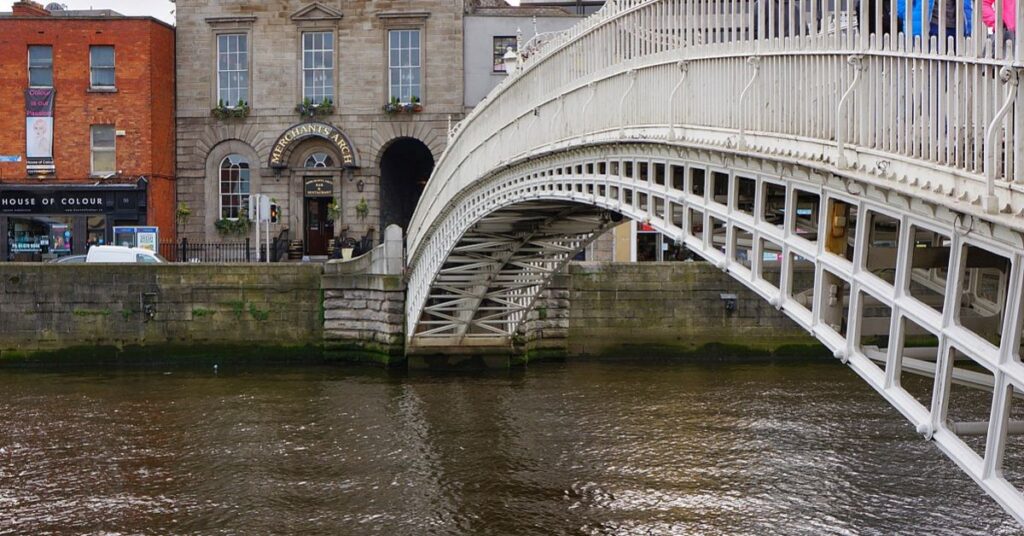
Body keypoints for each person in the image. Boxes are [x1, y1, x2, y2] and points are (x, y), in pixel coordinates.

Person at [897, 0, 974, 38]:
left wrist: (969, 25)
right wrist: (911, 17)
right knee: (930, 66)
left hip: (955, 28)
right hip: (929, 27)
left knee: (951, 66)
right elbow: (901, 5)